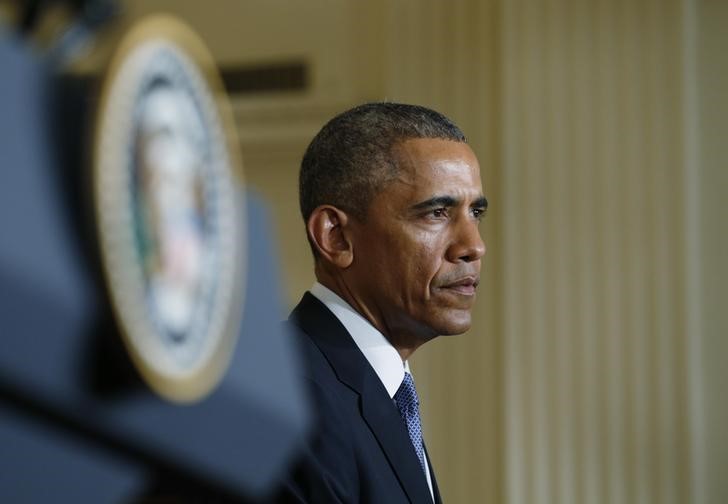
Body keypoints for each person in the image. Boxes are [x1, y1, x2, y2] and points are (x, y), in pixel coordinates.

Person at [278, 102, 487, 503]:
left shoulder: (380, 390)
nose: (473, 245)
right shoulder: (293, 402)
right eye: (437, 213)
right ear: (336, 237)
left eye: (475, 212)